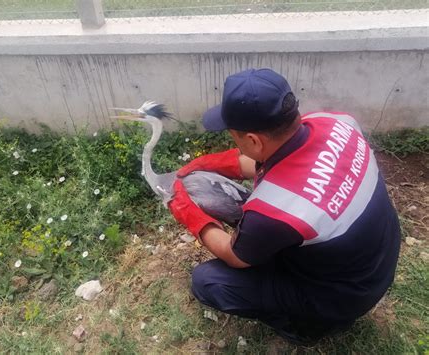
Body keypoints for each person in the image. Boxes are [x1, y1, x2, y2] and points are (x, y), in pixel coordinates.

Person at [167, 68, 401, 345]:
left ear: (253, 139)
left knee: (208, 282)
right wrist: (207, 163)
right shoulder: (335, 122)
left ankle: (307, 327)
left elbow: (235, 256)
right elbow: (266, 160)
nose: (235, 143)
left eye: (235, 137)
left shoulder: (276, 209)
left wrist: (193, 218)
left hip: (344, 296)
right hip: (373, 262)